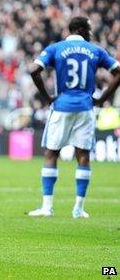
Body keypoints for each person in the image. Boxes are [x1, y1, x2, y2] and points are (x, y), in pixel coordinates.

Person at [28, 16, 120, 218]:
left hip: (61, 107)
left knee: (52, 154)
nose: (91, 32)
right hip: (86, 108)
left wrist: (47, 98)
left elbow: (34, 69)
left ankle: (47, 207)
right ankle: (78, 209)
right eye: (88, 28)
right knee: (83, 156)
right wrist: (102, 98)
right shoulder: (95, 50)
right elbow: (118, 71)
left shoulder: (56, 48)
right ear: (80, 29)